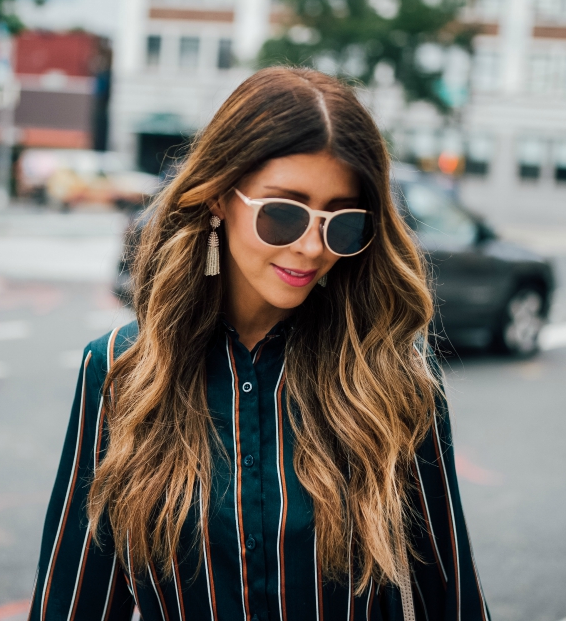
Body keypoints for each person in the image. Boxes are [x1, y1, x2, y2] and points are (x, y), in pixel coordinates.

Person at [29, 67, 490, 620]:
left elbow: (451, 594)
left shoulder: (396, 376)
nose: (311, 248)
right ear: (220, 197)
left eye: (341, 223)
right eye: (283, 213)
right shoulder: (119, 369)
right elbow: (73, 599)